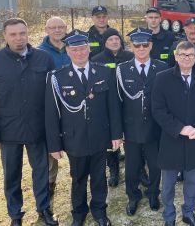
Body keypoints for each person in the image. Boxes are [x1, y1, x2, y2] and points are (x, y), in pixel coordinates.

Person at [44, 30, 123, 226]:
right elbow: (51, 114)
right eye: (74, 49)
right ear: (67, 51)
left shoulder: (104, 71)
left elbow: (113, 106)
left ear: (89, 49)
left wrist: (116, 134)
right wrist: (54, 144)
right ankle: (78, 213)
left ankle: (99, 212)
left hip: (99, 135)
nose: (79, 53)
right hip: (74, 138)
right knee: (78, 178)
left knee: (98, 177)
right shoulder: (57, 77)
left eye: (83, 49)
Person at [0, 18, 58, 226]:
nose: (18, 38)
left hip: (38, 129)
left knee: (41, 172)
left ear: (28, 34)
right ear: (5, 36)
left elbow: (53, 96)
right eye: (13, 34)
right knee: (12, 175)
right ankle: (15, 214)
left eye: (22, 33)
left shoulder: (44, 59)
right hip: (8, 130)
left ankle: (44, 209)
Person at [152, 41, 195, 226]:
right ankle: (169, 217)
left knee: (192, 182)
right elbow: (158, 109)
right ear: (175, 56)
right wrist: (180, 128)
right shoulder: (162, 78)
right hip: (171, 138)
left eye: (190, 55)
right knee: (168, 184)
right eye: (182, 55)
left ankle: (188, 213)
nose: (186, 58)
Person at [116, 28, 167, 216]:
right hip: (131, 129)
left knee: (155, 166)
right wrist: (118, 131)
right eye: (137, 45)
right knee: (132, 167)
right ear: (131, 46)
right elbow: (117, 102)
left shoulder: (161, 67)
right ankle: (133, 196)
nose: (141, 48)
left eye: (145, 44)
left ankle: (153, 193)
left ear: (151, 45)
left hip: (155, 129)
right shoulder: (122, 69)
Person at [93, 28, 133, 187]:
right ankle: (114, 170)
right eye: (110, 40)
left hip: (128, 101)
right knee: (111, 141)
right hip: (107, 103)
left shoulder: (130, 56)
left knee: (131, 138)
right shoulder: (97, 59)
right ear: (105, 42)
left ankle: (137, 168)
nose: (114, 42)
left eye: (117, 39)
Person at [38, 16, 71, 200]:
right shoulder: (39, 53)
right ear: (46, 30)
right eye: (53, 27)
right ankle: (49, 189)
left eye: (61, 27)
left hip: (73, 107)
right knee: (50, 154)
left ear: (66, 28)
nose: (57, 30)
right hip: (51, 108)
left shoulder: (74, 48)